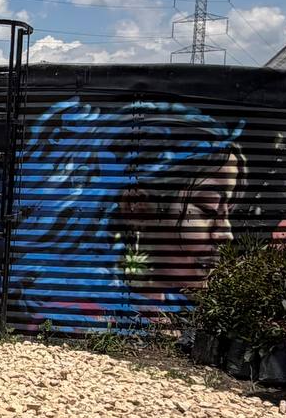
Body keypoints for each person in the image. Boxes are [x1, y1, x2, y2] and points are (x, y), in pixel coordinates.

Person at [14, 98, 244, 333]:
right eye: (208, 208)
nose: (225, 234)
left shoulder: (172, 310)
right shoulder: (76, 315)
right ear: (137, 207)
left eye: (228, 212)